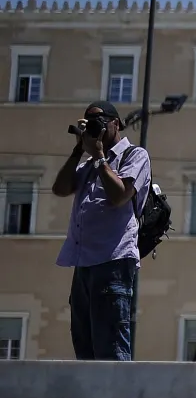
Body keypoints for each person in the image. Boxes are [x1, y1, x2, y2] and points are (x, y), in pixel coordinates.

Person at [49, 100, 150, 361]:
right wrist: (78, 150)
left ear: (115, 124)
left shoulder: (134, 156)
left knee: (111, 347)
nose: (95, 130)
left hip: (113, 260)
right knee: (85, 345)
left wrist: (100, 157)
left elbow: (120, 196)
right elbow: (60, 189)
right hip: (83, 263)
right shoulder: (87, 164)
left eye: (99, 123)